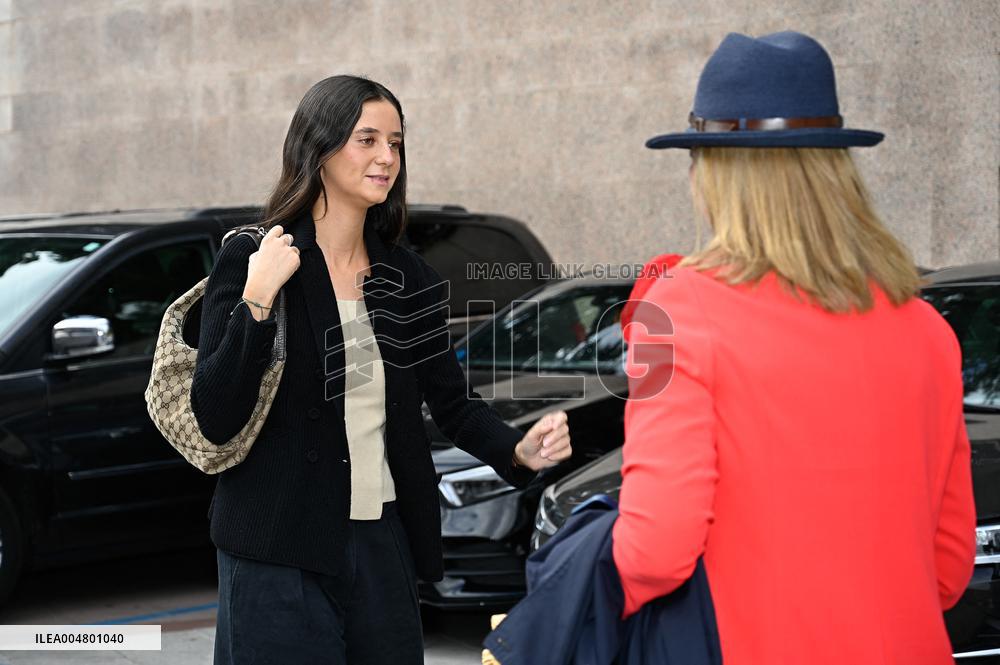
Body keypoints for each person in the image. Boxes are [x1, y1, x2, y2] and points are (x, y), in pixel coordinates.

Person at [612, 32, 975, 664]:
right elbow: (947, 567)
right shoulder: (928, 329)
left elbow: (653, 552)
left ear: (714, 171)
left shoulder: (675, 309)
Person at [190, 75, 572, 665]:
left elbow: (453, 402)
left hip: (381, 545)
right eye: (366, 139)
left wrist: (518, 451)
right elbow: (215, 415)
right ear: (317, 147)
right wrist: (258, 297)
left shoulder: (405, 275)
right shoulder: (256, 256)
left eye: (396, 142)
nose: (386, 157)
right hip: (277, 550)